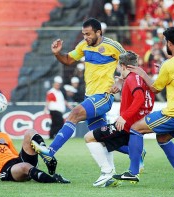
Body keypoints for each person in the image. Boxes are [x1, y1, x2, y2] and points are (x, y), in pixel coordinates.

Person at [31, 18, 126, 171]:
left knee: (74, 113)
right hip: (90, 96)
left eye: (88, 34)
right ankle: (137, 152)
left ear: (98, 32)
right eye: (83, 34)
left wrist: (120, 81)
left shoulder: (112, 46)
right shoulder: (84, 46)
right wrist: (57, 54)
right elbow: (68, 60)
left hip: (104, 96)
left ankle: (50, 151)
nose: (85, 37)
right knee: (103, 138)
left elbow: (131, 62)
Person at [113, 27, 174, 187]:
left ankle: (133, 173)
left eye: (165, 42)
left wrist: (142, 73)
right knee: (163, 138)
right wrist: (167, 73)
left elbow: (155, 88)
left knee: (135, 128)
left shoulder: (170, 64)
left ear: (169, 43)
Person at [84, 51, 155, 187]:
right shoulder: (140, 78)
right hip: (136, 124)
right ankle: (110, 175)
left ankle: (107, 172)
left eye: (118, 66)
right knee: (104, 142)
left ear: (123, 66)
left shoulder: (132, 79)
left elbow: (139, 98)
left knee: (89, 137)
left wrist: (124, 117)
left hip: (126, 124)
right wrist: (122, 81)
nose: (117, 69)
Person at [0, 110, 70, 184]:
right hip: (6, 170)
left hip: (17, 161)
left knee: (30, 132)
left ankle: (46, 156)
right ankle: (54, 180)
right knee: (24, 166)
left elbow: (14, 153)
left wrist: (23, 158)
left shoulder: (3, 136)